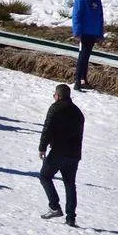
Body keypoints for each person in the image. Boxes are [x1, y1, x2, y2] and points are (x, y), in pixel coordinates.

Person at [38, 84, 85, 227]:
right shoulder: (78, 112)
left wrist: (42, 147)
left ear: (58, 96)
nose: (54, 97)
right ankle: (71, 218)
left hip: (59, 151)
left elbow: (48, 128)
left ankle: (54, 206)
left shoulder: (55, 108)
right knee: (70, 184)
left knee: (45, 176)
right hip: (74, 153)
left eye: (54, 95)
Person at [71, 0, 104, 91]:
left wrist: (100, 34)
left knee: (86, 57)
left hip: (93, 33)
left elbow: (100, 17)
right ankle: (77, 81)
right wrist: (77, 32)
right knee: (82, 57)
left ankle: (83, 79)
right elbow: (76, 15)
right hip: (84, 32)